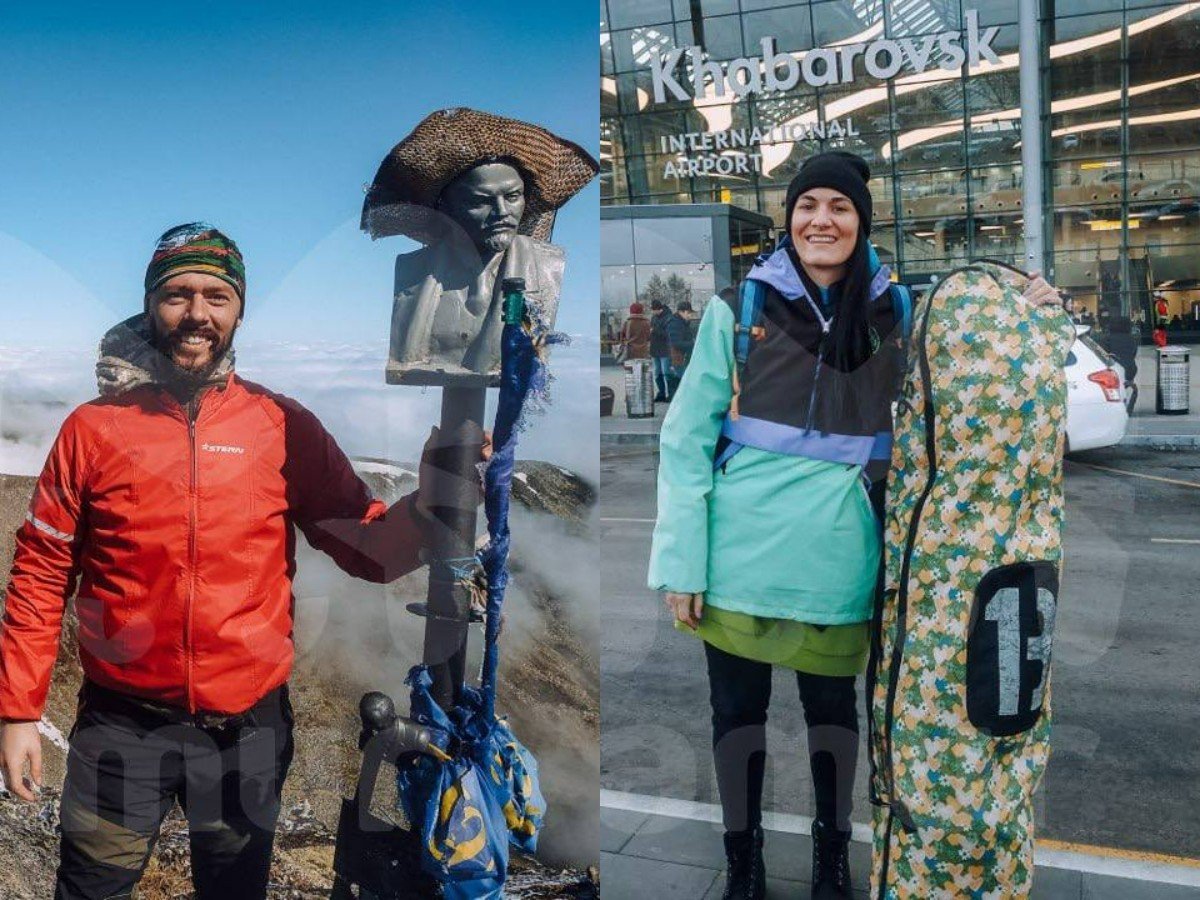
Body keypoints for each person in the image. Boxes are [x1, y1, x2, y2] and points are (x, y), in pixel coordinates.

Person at [0, 224, 475, 900]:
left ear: (240, 309)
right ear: (150, 304)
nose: (198, 315)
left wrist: (431, 502)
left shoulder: (283, 426)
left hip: (247, 730)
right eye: (178, 295)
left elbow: (369, 549)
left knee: (234, 890)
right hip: (120, 726)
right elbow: (42, 574)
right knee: (89, 889)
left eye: (217, 296)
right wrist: (18, 711)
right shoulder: (93, 429)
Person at [648, 152, 1061, 900]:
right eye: (807, 206)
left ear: (861, 221)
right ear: (789, 219)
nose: (821, 221)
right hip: (738, 552)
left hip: (842, 555)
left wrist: (1028, 305)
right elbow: (684, 440)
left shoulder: (897, 314)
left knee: (834, 723)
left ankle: (833, 857)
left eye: (839, 207)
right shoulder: (737, 308)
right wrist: (681, 564)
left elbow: (977, 354)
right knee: (737, 719)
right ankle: (743, 862)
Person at [666, 299, 698, 395]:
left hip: (682, 359)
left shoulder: (682, 322)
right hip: (678, 360)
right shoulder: (674, 323)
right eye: (688, 313)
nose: (690, 315)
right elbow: (676, 343)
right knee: (682, 385)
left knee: (683, 385)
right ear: (681, 312)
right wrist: (693, 343)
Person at [649, 300, 675, 402]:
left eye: (654, 310)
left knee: (666, 372)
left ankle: (671, 394)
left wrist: (655, 331)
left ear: (659, 309)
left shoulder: (669, 318)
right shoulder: (654, 318)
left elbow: (668, 334)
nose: (653, 312)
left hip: (665, 350)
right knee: (657, 372)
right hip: (655, 349)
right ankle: (661, 393)